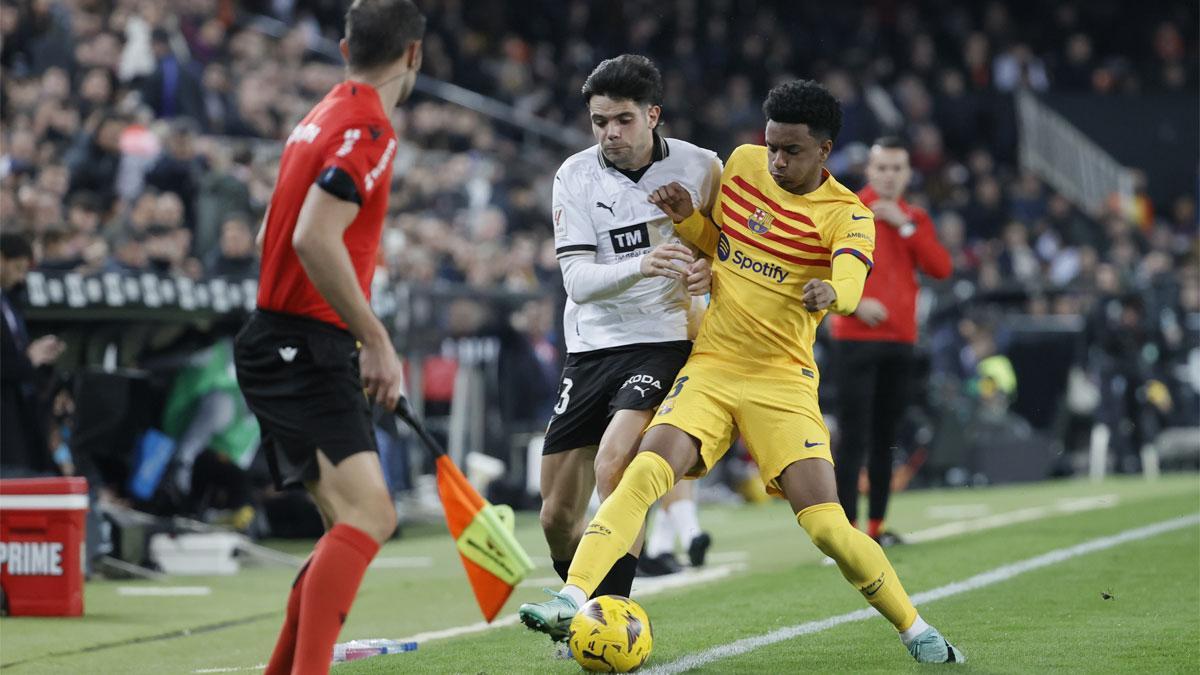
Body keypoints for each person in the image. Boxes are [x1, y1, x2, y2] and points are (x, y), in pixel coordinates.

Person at [519, 80, 964, 664]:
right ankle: (574, 597)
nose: (777, 160)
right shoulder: (745, 164)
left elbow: (852, 284)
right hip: (712, 365)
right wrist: (688, 222)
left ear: (825, 151)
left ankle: (915, 628)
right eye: (772, 145)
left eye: (792, 151)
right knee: (642, 471)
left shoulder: (848, 216)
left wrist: (832, 291)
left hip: (782, 382)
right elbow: (721, 244)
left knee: (829, 528)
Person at [231, 2, 424, 673]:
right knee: (372, 513)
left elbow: (269, 238)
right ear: (414, 56)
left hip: (282, 339)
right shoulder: (370, 128)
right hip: (302, 344)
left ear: (344, 48)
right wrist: (374, 337)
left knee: (344, 523)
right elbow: (312, 237)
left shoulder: (317, 115)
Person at [535, 54, 715, 627]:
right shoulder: (575, 176)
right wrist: (643, 263)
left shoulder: (702, 167)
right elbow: (578, 283)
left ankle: (613, 617)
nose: (610, 133)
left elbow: (728, 249)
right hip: (590, 346)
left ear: (652, 114)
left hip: (665, 339)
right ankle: (580, 606)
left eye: (622, 120)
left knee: (617, 464)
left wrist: (711, 271)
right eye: (599, 121)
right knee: (556, 514)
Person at [829, 137, 951, 546]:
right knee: (853, 437)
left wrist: (905, 225)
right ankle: (846, 534)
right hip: (855, 340)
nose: (889, 176)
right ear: (869, 171)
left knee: (885, 438)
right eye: (882, 168)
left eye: (897, 169)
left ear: (908, 174)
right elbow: (818, 260)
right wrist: (855, 301)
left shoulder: (913, 217)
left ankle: (877, 529)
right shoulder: (847, 209)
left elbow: (940, 268)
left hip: (900, 341)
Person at [1, 233, 66, 476]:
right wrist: (29, 359)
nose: (21, 276)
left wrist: (38, 357)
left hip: (20, 414)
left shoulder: (10, 302)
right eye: (17, 268)